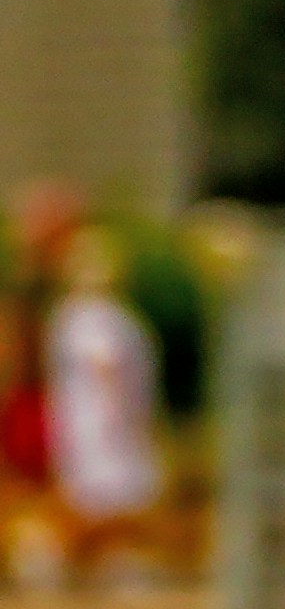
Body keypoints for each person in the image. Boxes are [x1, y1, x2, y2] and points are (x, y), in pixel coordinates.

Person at [41, 234, 159, 588]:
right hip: (102, 422)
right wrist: (119, 413)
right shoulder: (91, 315)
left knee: (110, 497)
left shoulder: (89, 313)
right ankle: (58, 558)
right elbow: (103, 366)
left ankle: (105, 562)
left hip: (98, 420)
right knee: (106, 498)